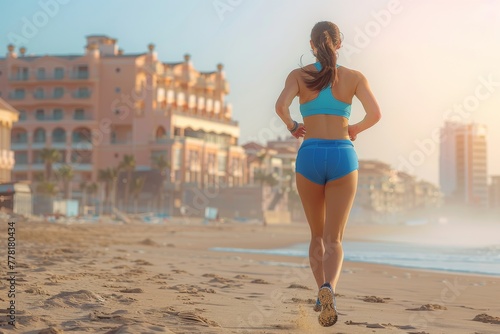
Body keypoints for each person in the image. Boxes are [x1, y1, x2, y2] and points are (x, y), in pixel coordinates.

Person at [275, 21, 381, 327]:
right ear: (339, 44)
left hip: (309, 156)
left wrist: (293, 126)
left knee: (317, 237)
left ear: (312, 45)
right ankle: (329, 289)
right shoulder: (354, 77)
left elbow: (281, 107)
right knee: (335, 239)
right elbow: (375, 114)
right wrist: (354, 130)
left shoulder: (299, 75)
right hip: (342, 156)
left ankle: (319, 286)